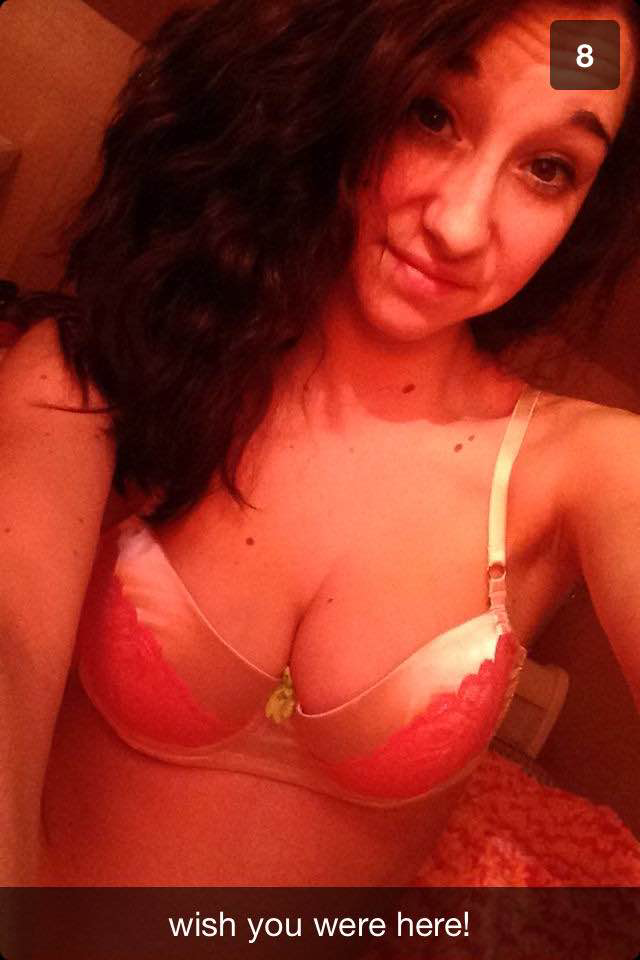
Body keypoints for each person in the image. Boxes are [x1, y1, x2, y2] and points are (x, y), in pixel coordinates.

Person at [1, 0, 639, 888]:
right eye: (432, 114)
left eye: (547, 168)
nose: (459, 225)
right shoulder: (96, 376)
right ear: (339, 81)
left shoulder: (586, 467)